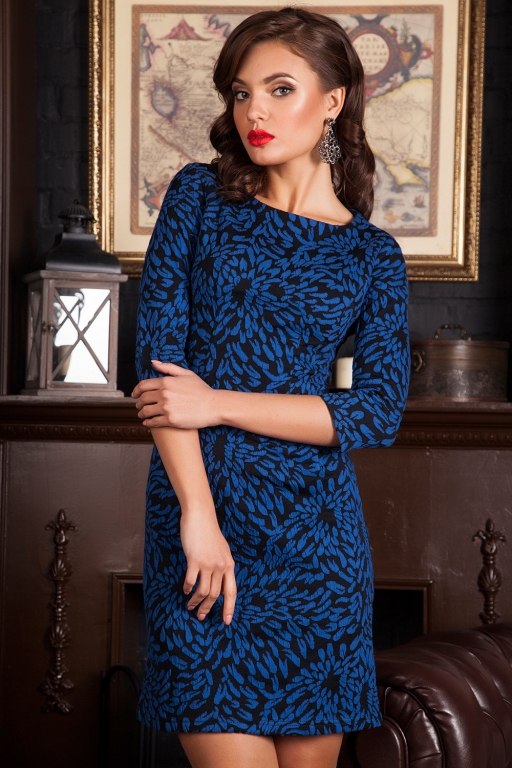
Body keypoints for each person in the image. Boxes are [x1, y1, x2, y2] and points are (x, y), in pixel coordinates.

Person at [132, 7, 410, 768]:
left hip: (317, 548)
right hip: (201, 528)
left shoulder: (372, 256)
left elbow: (375, 413)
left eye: (280, 89)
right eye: (241, 92)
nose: (254, 111)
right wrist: (197, 517)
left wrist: (217, 402)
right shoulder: (197, 198)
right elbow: (160, 370)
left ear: (333, 100)